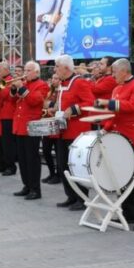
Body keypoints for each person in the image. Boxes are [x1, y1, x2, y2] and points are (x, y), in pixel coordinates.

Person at [96, 58, 134, 231]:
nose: (112, 76)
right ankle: (129, 212)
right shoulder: (117, 88)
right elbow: (115, 114)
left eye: (114, 72)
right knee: (124, 178)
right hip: (120, 138)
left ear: (124, 71)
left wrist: (109, 103)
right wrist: (105, 129)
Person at [51, 55, 94, 211]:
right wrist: (56, 108)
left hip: (77, 131)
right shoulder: (62, 83)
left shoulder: (80, 82)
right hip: (63, 130)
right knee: (63, 166)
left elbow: (89, 102)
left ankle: (81, 198)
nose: (55, 69)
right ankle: (71, 195)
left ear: (66, 68)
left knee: (75, 167)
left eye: (57, 66)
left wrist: (73, 109)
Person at [11, 61, 50, 200]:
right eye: (25, 70)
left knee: (32, 159)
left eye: (28, 70)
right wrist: (15, 89)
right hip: (20, 125)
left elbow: (35, 101)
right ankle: (26, 185)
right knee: (22, 159)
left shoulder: (42, 85)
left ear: (36, 72)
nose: (25, 73)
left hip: (31, 126)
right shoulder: (25, 84)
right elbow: (14, 101)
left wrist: (21, 88)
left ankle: (35, 189)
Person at [0, 61, 17, 176]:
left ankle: (10, 166)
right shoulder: (1, 81)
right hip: (1, 114)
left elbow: (5, 95)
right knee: (1, 143)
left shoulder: (11, 80)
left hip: (8, 115)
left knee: (7, 143)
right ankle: (3, 164)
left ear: (6, 70)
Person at [42, 73, 61, 185]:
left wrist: (51, 105)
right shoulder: (50, 92)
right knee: (46, 150)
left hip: (57, 124)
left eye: (56, 78)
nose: (54, 80)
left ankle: (58, 175)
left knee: (58, 152)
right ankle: (51, 173)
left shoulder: (61, 91)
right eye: (53, 78)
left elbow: (57, 106)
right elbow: (44, 104)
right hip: (48, 123)